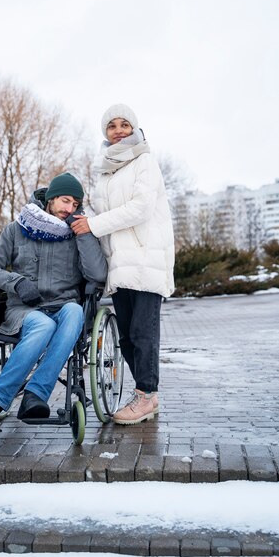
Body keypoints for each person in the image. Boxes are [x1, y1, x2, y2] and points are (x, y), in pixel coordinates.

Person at [0, 172, 107, 427]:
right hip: (25, 309)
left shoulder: (79, 233)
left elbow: (98, 275)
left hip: (65, 307)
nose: (69, 208)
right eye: (65, 200)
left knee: (74, 313)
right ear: (51, 199)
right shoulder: (17, 229)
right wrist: (16, 282)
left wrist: (84, 235)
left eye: (75, 204)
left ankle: (34, 396)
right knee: (44, 325)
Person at [71, 104, 175, 425]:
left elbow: (141, 208)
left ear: (134, 128)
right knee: (126, 337)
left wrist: (94, 224)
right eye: (112, 126)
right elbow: (99, 217)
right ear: (105, 132)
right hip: (119, 265)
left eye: (124, 124)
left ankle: (146, 395)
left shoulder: (145, 160)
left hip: (146, 259)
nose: (118, 130)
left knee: (144, 332)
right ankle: (146, 395)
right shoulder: (104, 170)